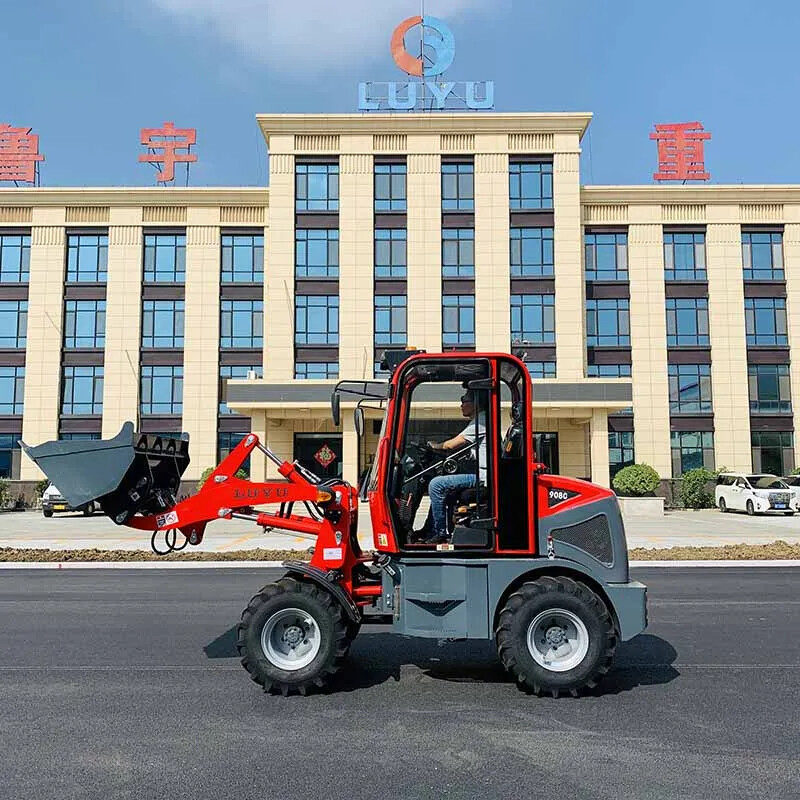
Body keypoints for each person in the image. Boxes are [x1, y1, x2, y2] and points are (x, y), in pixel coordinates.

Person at [418, 390, 486, 545]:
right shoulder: (479, 421)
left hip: (483, 478)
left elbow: (452, 444)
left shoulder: (481, 421)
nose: (461, 404)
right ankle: (429, 528)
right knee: (443, 486)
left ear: (475, 403)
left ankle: (440, 533)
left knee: (436, 484)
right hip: (481, 474)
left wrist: (435, 446)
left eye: (464, 400)